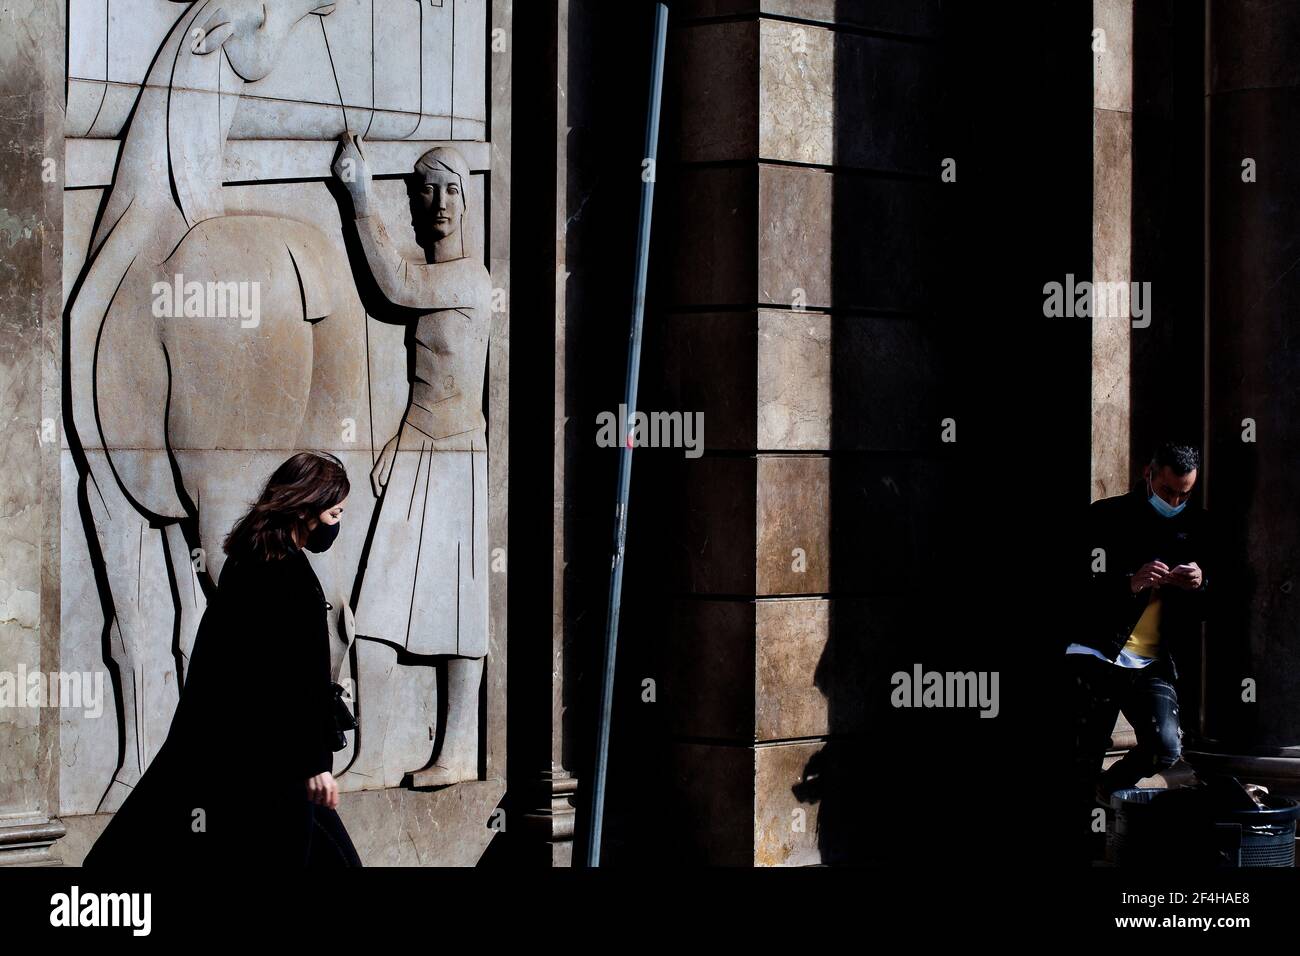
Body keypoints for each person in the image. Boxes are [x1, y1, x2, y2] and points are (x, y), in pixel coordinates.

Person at [84, 452, 362, 867]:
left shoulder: (250, 558)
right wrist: (316, 765)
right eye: (334, 513)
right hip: (277, 766)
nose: (336, 524)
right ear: (306, 509)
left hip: (240, 755)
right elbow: (297, 682)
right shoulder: (288, 575)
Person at [331, 131, 491, 786]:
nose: (440, 202)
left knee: (459, 609)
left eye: (452, 188)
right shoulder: (443, 277)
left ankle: (456, 750)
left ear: (468, 200)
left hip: (455, 454)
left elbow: (396, 282)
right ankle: (373, 750)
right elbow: (434, 374)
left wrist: (359, 196)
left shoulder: (470, 280)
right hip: (422, 442)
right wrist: (401, 436)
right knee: (378, 605)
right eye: (427, 189)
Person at [1063, 441, 1213, 858]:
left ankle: (1107, 791)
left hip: (1150, 658)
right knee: (1084, 753)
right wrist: (1129, 582)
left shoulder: (1197, 526)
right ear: (1150, 474)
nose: (1176, 501)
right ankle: (1086, 845)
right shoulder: (1106, 516)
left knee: (1166, 745)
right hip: (1095, 651)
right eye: (1169, 491)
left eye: (1185, 493)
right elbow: (1076, 587)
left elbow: (1214, 605)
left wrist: (1200, 584)